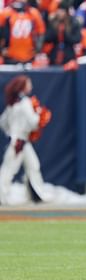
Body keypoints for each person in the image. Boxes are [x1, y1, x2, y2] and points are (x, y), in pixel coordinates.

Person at [0, 75, 50, 205]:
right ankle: (1, 196)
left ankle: (36, 195)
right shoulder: (25, 102)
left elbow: (3, 122)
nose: (31, 87)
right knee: (8, 170)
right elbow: (33, 122)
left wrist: (11, 132)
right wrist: (41, 115)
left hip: (19, 141)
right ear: (22, 86)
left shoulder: (14, 103)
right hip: (19, 142)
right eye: (28, 84)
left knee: (33, 166)